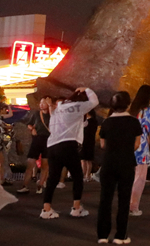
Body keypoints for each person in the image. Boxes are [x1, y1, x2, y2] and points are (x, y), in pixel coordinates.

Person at [41, 87, 99, 219]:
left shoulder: (59, 107)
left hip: (52, 145)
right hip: (68, 144)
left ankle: (46, 209)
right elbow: (94, 101)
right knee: (78, 177)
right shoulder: (78, 106)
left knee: (52, 179)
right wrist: (88, 89)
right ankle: (76, 207)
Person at [97, 91, 143, 244]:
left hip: (109, 162)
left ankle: (102, 235)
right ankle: (120, 236)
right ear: (128, 104)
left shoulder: (106, 122)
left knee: (105, 199)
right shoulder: (134, 122)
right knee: (124, 199)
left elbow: (102, 144)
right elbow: (137, 144)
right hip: (126, 162)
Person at [128, 84, 150, 215]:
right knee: (139, 178)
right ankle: (134, 206)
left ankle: (126, 203)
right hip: (141, 148)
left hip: (128, 146)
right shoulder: (147, 111)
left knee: (130, 177)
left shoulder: (131, 109)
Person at [18, 95, 50, 194]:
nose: (41, 105)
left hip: (48, 140)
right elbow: (29, 124)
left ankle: (40, 185)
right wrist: (32, 128)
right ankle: (25, 185)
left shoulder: (54, 115)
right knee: (30, 163)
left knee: (45, 165)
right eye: (40, 103)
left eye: (44, 103)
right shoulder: (36, 114)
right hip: (37, 140)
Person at [80, 109, 100, 183]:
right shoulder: (85, 121)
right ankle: (84, 175)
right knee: (83, 160)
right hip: (83, 141)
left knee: (88, 160)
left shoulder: (92, 121)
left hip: (89, 141)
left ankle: (87, 175)